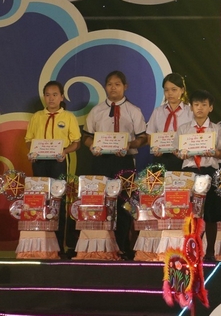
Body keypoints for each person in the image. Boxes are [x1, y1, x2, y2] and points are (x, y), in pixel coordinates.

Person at [82, 70, 147, 259]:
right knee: (100, 202)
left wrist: (129, 145)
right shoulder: (96, 111)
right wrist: (92, 145)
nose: (113, 88)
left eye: (117, 84)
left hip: (124, 160)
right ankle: (100, 245)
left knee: (124, 203)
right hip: (101, 161)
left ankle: (122, 245)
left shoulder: (133, 110)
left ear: (125, 87)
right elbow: (86, 136)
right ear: (105, 87)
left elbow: (143, 138)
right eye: (110, 84)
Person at [24, 80, 80, 257]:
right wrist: (32, 151)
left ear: (61, 97)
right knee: (39, 200)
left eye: (55, 95)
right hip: (39, 162)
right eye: (47, 95)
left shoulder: (68, 117)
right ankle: (40, 246)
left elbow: (76, 142)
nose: (51, 98)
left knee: (58, 202)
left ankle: (58, 246)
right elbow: (29, 140)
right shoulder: (37, 117)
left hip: (58, 162)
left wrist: (65, 151)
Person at [176, 90, 221, 261]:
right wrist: (181, 153)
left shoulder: (216, 129)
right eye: (196, 104)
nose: (200, 108)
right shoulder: (184, 129)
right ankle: (191, 250)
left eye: (204, 105)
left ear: (210, 108)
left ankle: (210, 251)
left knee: (211, 214)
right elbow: (176, 150)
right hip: (190, 172)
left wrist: (215, 152)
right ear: (191, 107)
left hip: (210, 171)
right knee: (191, 214)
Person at [146, 73, 192, 172]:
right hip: (161, 157)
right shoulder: (158, 111)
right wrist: (155, 147)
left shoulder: (190, 112)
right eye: (166, 90)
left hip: (183, 159)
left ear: (182, 90)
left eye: (174, 89)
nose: (170, 93)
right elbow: (150, 135)